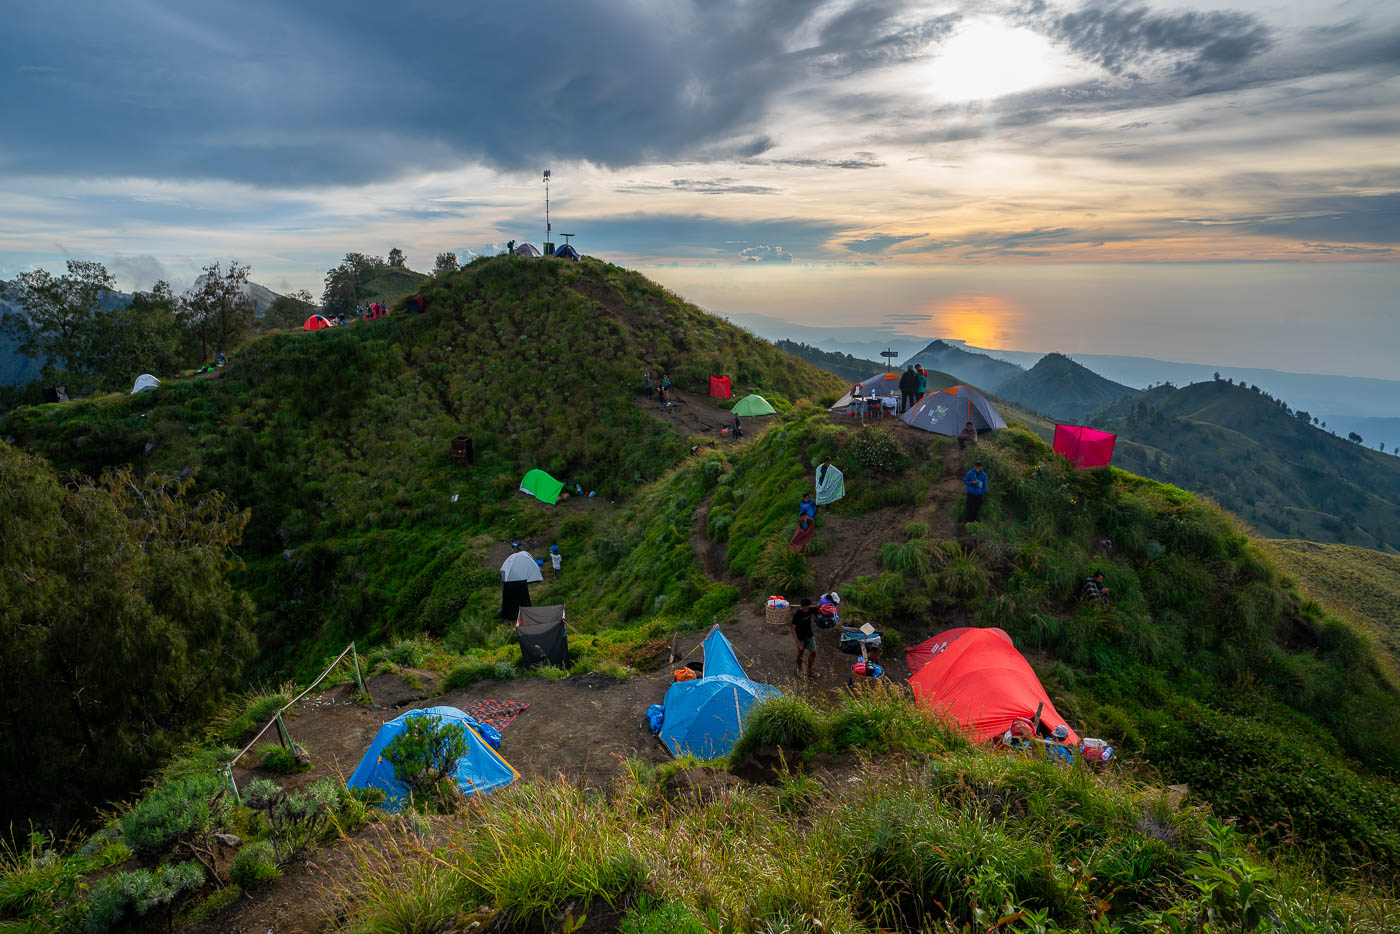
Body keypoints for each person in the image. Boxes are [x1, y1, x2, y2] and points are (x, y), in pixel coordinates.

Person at [790, 598, 818, 679]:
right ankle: (799, 669)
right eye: (804, 608)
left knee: (813, 652)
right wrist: (798, 643)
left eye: (807, 608)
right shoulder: (797, 614)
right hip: (800, 637)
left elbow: (819, 611)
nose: (806, 610)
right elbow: (793, 628)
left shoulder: (811, 609)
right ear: (801, 607)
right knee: (801, 652)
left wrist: (818, 607)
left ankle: (809, 671)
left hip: (809, 634)